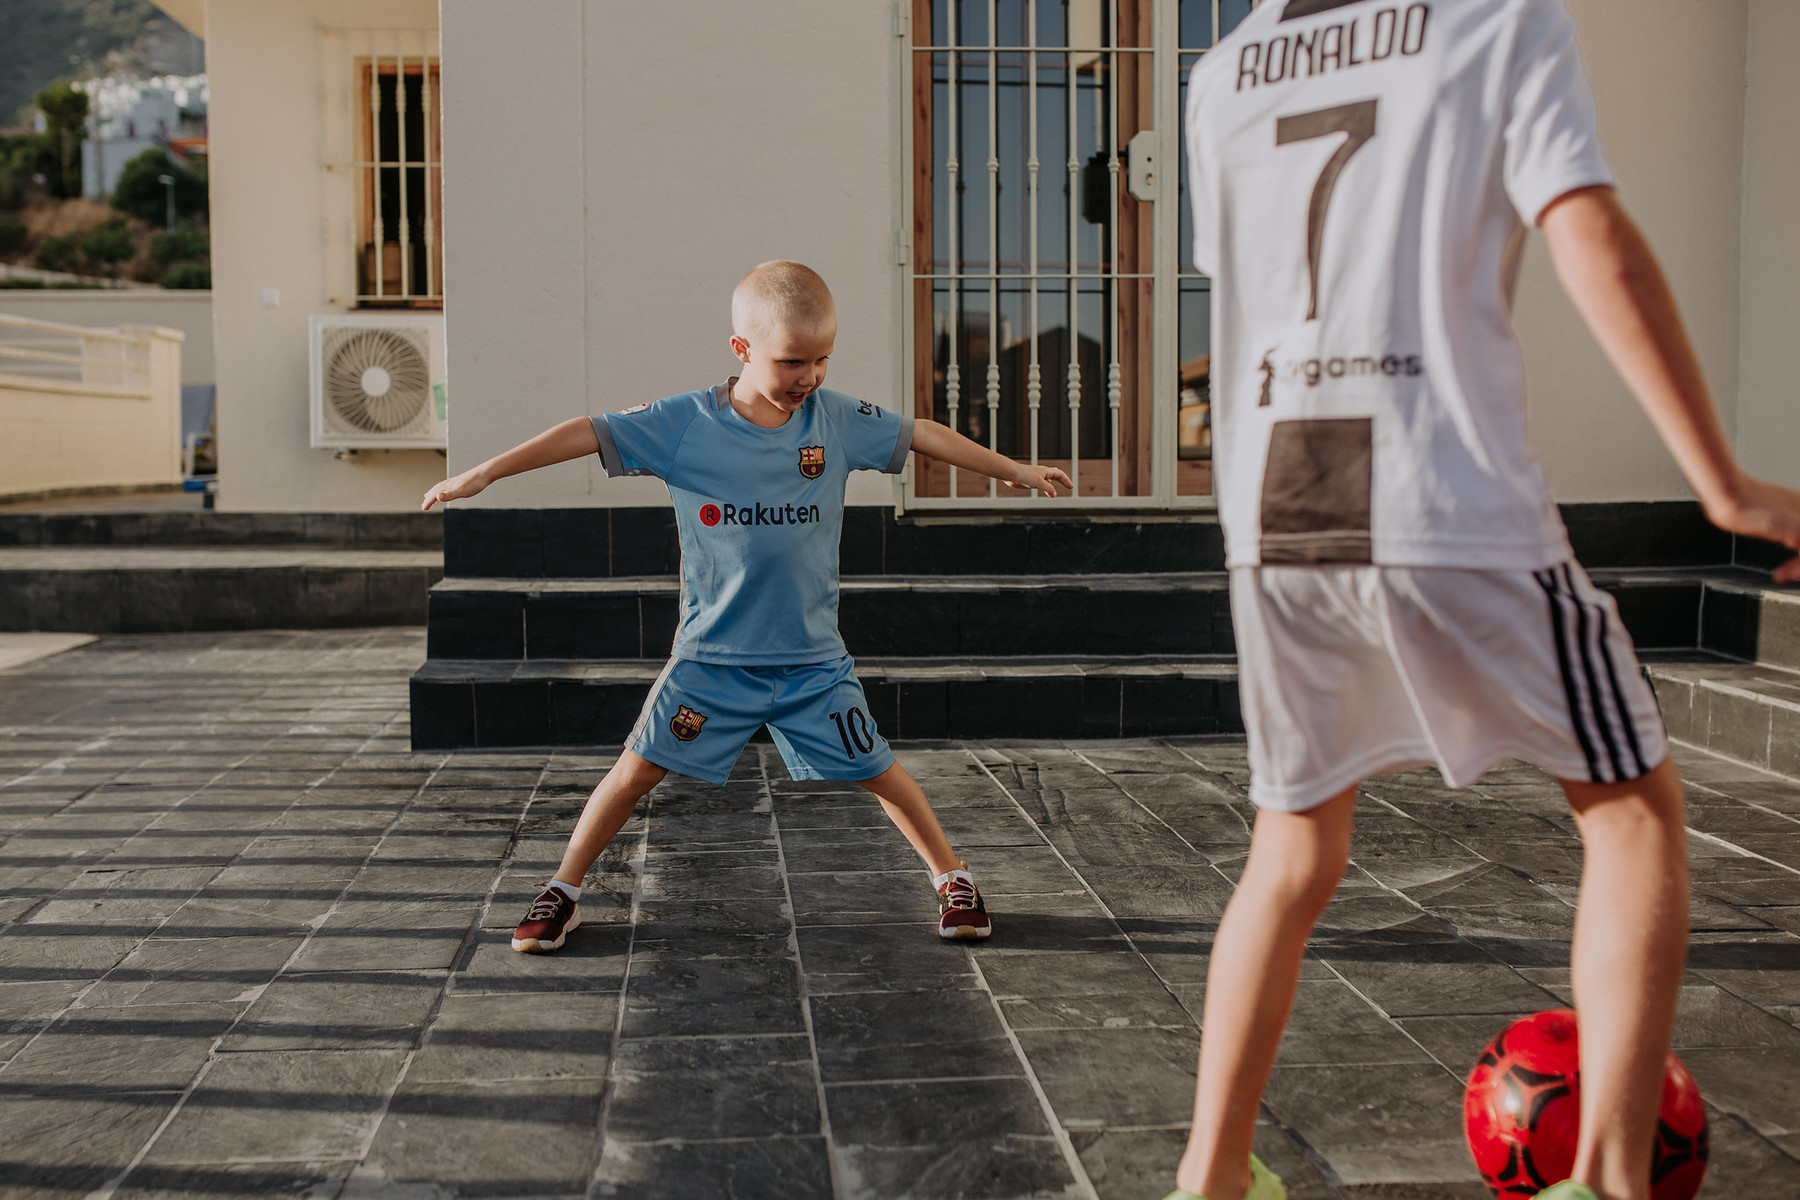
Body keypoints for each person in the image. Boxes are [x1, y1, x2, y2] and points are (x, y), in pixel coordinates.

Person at [1169, 2, 1800, 1199]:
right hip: (1440, 490)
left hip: (1276, 508)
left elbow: (1255, 288)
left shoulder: (1225, 67)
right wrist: (1724, 484)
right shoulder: (1495, 19)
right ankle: (1611, 1179)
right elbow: (1593, 237)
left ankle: (1207, 1178)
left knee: (1294, 847)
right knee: (1630, 809)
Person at [422, 260, 1072, 952]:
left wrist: (1016, 471)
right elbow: (587, 430)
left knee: (879, 770)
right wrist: (483, 471)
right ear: (742, 350)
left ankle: (952, 878)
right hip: (712, 661)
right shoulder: (684, 424)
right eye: (794, 360)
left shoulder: (838, 420)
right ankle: (563, 890)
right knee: (634, 772)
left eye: (823, 358)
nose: (811, 377)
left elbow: (922, 434)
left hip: (811, 662)